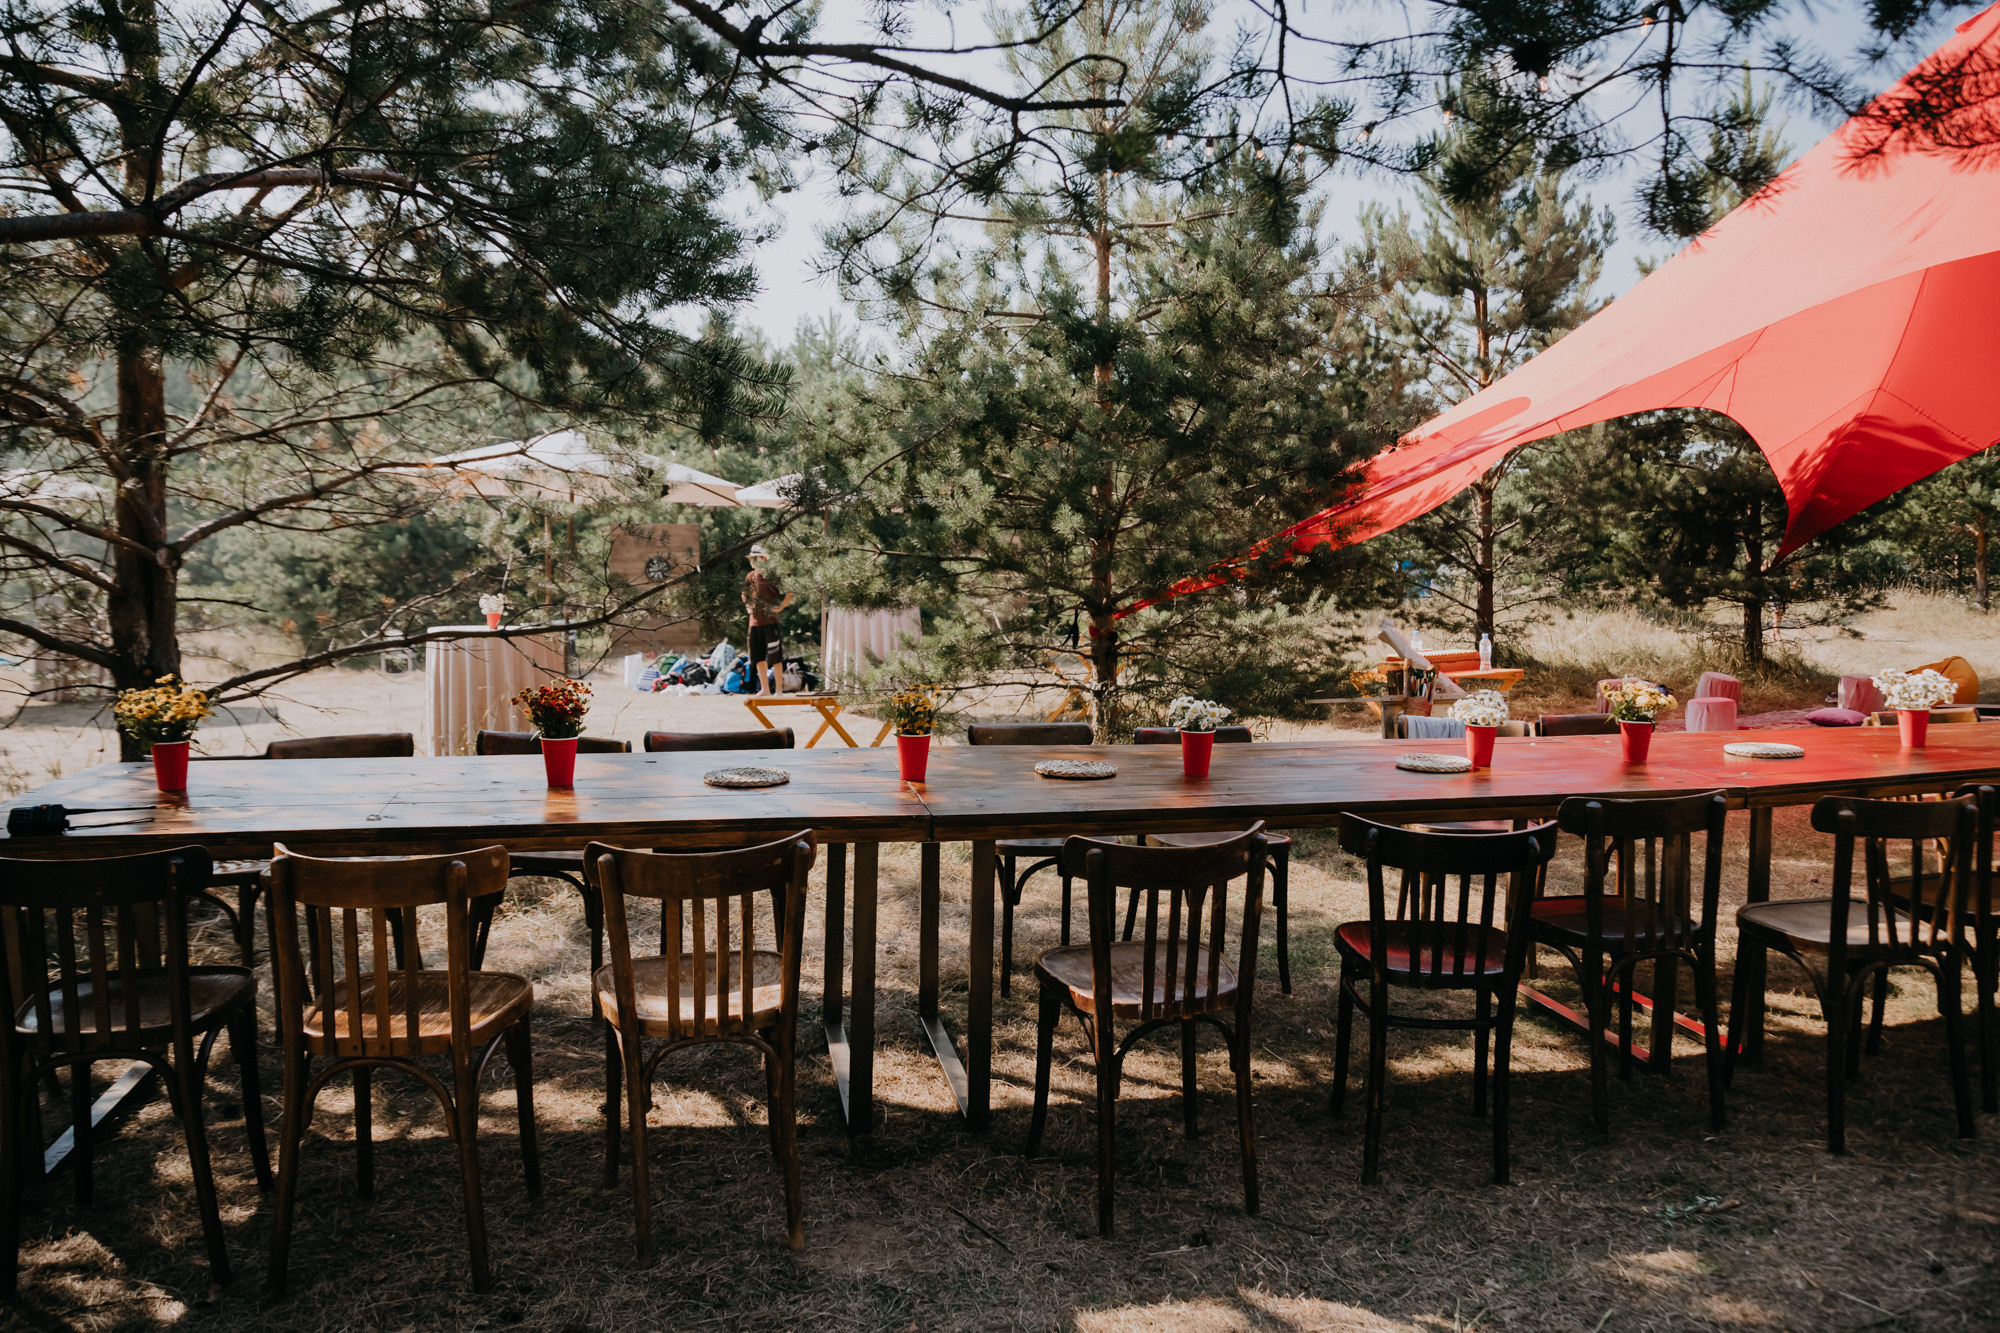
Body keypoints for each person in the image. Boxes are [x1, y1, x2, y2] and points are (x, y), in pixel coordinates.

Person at [743, 544, 793, 696]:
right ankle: (765, 689)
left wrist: (781, 606)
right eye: (751, 558)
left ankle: (778, 690)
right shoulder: (750, 576)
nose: (753, 561)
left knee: (775, 657)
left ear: (764, 559)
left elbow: (791, 590)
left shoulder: (773, 576)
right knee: (758, 657)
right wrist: (748, 607)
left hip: (770, 622)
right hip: (754, 623)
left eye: (756, 558)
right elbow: (744, 593)